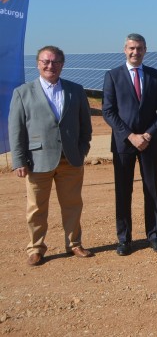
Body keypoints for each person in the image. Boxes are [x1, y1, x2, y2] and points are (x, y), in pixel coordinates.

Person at [8, 45, 93, 266]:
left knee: (73, 204)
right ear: (38, 64)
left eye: (55, 62)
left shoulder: (76, 90)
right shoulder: (23, 92)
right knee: (36, 208)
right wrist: (18, 160)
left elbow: (86, 126)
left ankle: (74, 244)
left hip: (71, 160)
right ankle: (36, 248)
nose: (50, 66)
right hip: (37, 161)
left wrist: (82, 149)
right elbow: (16, 130)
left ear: (62, 65)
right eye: (46, 61)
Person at [102, 33, 157, 255]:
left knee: (152, 190)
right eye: (131, 48)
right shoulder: (112, 76)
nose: (135, 52)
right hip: (124, 143)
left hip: (149, 143)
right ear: (124, 49)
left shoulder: (155, 76)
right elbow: (108, 111)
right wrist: (130, 135)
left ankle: (155, 236)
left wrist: (148, 135)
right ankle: (124, 239)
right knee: (123, 192)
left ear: (145, 50)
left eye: (139, 48)